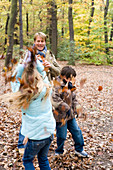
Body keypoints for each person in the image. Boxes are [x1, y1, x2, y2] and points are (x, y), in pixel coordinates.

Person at [11, 48, 56, 169]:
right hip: (48, 132)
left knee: (27, 160)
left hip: (35, 136)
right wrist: (37, 65)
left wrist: (22, 65)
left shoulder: (22, 95)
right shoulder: (46, 88)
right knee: (43, 159)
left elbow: (14, 78)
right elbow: (44, 75)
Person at [18, 32, 61, 152]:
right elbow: (21, 69)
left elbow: (59, 71)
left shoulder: (49, 54)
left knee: (44, 114)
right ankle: (22, 144)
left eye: (42, 41)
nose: (40, 43)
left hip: (46, 89)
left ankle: (41, 142)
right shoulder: (28, 54)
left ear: (45, 42)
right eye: (38, 41)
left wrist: (50, 66)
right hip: (31, 88)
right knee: (28, 114)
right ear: (34, 42)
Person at [52, 66, 89, 157]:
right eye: (71, 77)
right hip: (61, 116)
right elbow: (55, 100)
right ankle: (59, 151)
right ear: (65, 77)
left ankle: (79, 149)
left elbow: (74, 99)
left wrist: (77, 108)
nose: (73, 80)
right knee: (62, 135)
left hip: (70, 115)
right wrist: (67, 108)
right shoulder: (56, 85)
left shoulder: (69, 84)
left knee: (77, 131)